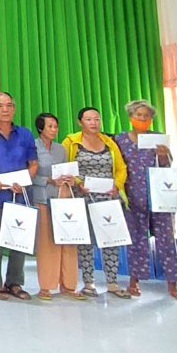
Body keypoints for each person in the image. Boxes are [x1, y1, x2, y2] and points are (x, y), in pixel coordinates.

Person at [62, 107, 131, 299]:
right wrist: (79, 183)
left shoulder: (109, 142)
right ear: (80, 122)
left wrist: (117, 185)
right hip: (83, 198)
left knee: (111, 240)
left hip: (108, 198)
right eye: (89, 119)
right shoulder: (71, 142)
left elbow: (121, 168)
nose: (94, 123)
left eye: (97, 119)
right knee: (86, 242)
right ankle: (88, 283)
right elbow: (65, 168)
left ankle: (113, 283)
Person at [114, 100, 177, 300]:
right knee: (136, 241)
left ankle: (173, 283)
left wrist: (163, 156)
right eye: (139, 115)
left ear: (151, 119)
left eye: (146, 116)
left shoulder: (158, 138)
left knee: (166, 240)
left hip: (160, 198)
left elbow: (167, 166)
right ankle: (134, 281)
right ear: (130, 117)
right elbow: (117, 167)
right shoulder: (120, 139)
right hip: (133, 197)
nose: (142, 119)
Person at [0, 92, 38, 300]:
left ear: (14, 108)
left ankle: (14, 282)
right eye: (0, 106)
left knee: (18, 240)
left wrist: (24, 180)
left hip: (21, 195)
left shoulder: (25, 133)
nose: (5, 110)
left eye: (8, 105)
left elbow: (33, 164)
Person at [32, 113, 85, 301]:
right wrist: (47, 180)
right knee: (46, 244)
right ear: (40, 128)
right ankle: (46, 286)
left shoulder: (61, 149)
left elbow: (67, 170)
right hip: (42, 198)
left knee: (68, 242)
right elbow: (28, 175)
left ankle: (69, 285)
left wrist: (69, 179)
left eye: (56, 126)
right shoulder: (33, 147)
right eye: (50, 126)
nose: (54, 130)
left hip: (62, 200)